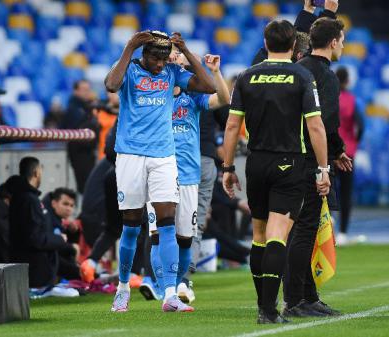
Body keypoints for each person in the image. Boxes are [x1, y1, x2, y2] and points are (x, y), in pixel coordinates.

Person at [221, 20, 329, 324]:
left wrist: (228, 167)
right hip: (289, 164)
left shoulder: (246, 76)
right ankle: (269, 311)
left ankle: (262, 305)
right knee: (277, 236)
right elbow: (315, 126)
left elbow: (232, 126)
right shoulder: (302, 76)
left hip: (256, 163)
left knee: (258, 235)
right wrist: (323, 168)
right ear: (294, 46)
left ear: (266, 43)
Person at [104, 30, 215, 312]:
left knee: (167, 224)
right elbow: (110, 84)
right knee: (131, 224)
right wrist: (129, 46)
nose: (160, 64)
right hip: (130, 154)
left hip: (165, 156)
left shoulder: (171, 74)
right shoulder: (128, 70)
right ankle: (123, 287)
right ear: (144, 54)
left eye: (165, 59)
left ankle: (169, 295)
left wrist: (186, 52)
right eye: (156, 58)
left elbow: (209, 86)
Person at [142, 52, 230, 304]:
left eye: (181, 65)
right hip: (160, 173)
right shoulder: (152, 99)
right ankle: (165, 287)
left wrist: (214, 72)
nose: (178, 70)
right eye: (173, 64)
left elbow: (224, 98)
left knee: (185, 236)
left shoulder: (193, 98)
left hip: (190, 174)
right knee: (158, 233)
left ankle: (178, 283)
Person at [283, 17, 352, 318]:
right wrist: (334, 153)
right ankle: (295, 300)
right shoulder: (326, 76)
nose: (343, 46)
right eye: (342, 40)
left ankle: (307, 295)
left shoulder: (297, 68)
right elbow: (323, 123)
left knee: (299, 230)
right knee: (305, 229)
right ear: (334, 41)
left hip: (285, 158)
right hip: (311, 161)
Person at [7, 157, 79, 297]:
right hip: (36, 278)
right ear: (36, 172)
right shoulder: (29, 200)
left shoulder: (22, 197)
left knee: (73, 292)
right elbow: (36, 238)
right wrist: (59, 239)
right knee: (72, 294)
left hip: (34, 273)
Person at [335, 67, 364, 245]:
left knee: (326, 192)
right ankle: (343, 233)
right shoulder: (352, 100)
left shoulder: (327, 97)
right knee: (346, 194)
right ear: (347, 81)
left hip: (330, 152)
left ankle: (325, 230)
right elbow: (360, 126)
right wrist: (355, 141)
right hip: (348, 152)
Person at [63, 80, 100, 195]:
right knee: (86, 187)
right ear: (75, 91)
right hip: (80, 152)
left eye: (88, 90)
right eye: (83, 90)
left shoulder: (86, 107)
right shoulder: (74, 109)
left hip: (88, 151)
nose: (87, 93)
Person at [43, 188, 82, 281]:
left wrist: (73, 232)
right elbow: (50, 246)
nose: (69, 209)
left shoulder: (58, 219)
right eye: (65, 204)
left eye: (72, 205)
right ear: (54, 203)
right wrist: (72, 248)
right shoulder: (46, 218)